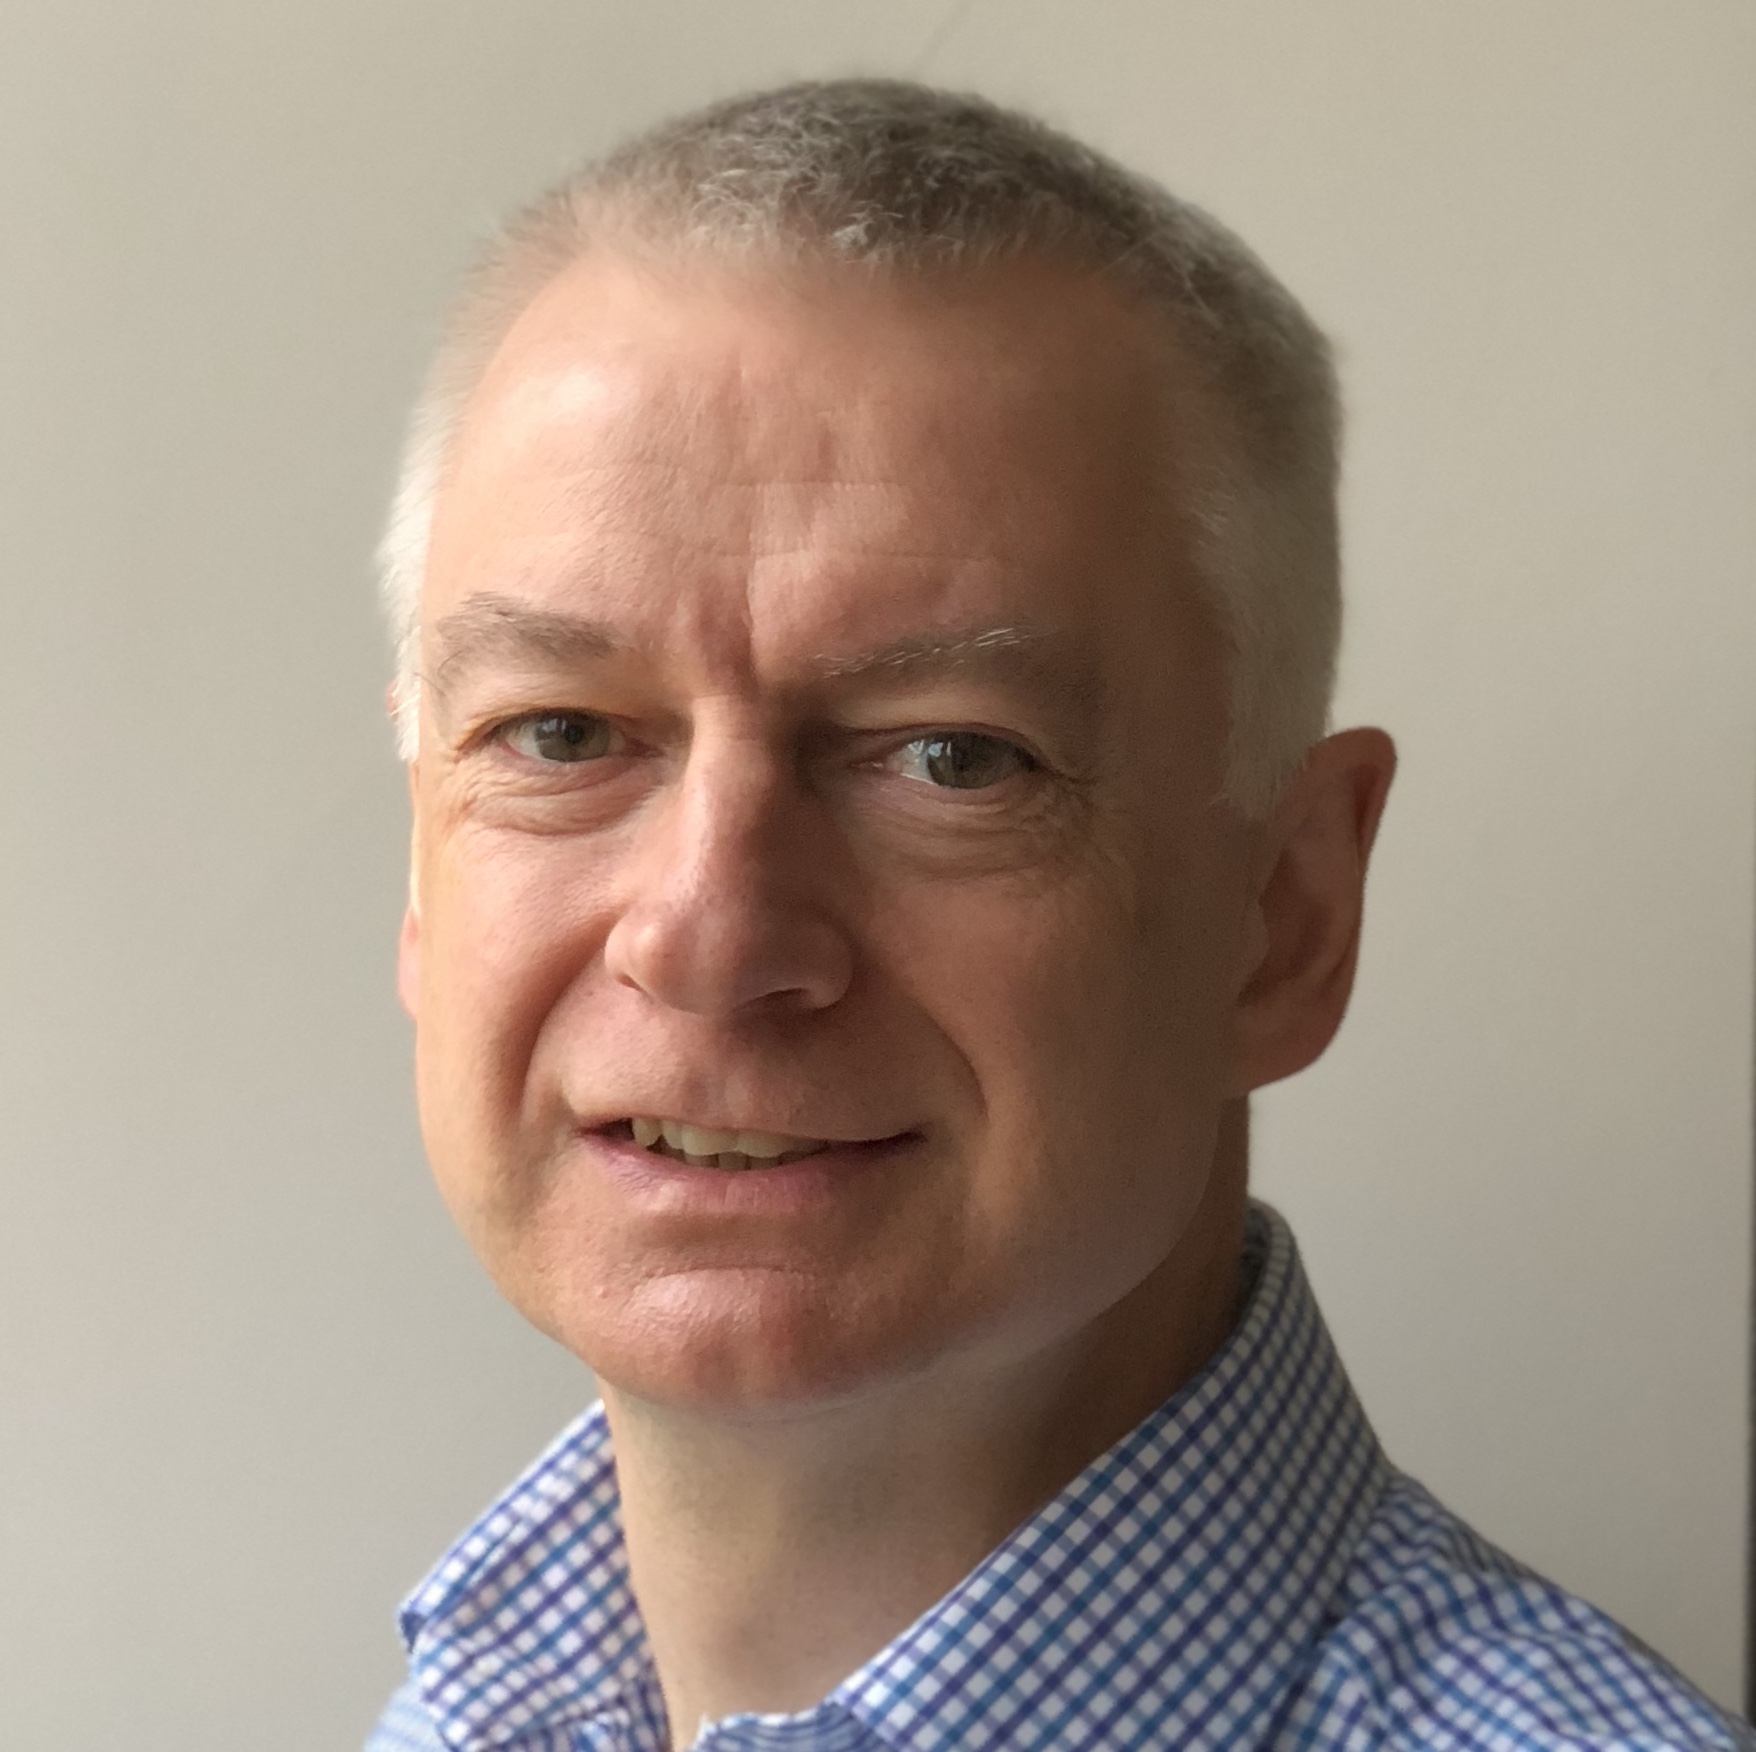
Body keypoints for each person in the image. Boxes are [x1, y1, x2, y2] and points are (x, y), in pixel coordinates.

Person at [363, 79, 1748, 1752]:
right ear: (423, 879)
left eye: (952, 757)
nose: (708, 936)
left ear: (1286, 915)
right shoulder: (484, 1701)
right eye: (561, 736)